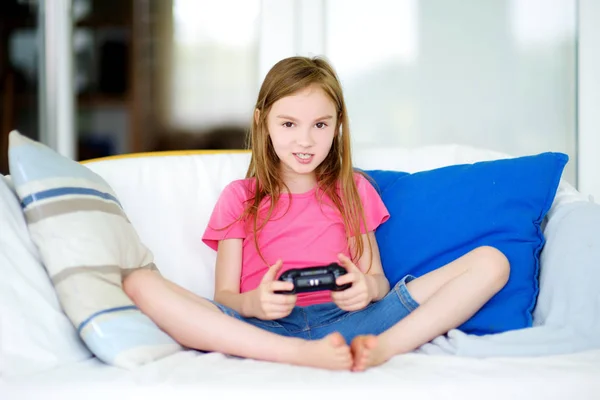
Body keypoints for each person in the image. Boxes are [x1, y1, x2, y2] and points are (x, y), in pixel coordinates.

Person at [123, 56, 510, 372]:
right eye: (289, 124)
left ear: (337, 126)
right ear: (263, 123)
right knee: (140, 283)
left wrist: (365, 290)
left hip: (352, 324)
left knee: (492, 262)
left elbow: (376, 279)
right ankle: (297, 355)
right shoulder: (239, 197)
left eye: (320, 125)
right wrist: (255, 303)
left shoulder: (353, 189)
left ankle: (382, 348)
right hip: (262, 327)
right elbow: (225, 295)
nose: (305, 140)